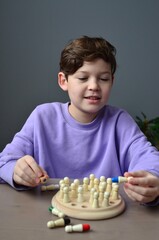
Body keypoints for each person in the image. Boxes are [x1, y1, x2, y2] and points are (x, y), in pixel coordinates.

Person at [0, 36, 159, 206]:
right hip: (48, 215)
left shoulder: (120, 121)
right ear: (63, 81)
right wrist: (17, 170)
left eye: (103, 79)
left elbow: (148, 157)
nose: (94, 86)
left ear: (112, 81)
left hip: (109, 221)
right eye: (83, 78)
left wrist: (151, 179)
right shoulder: (42, 117)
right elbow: (4, 162)